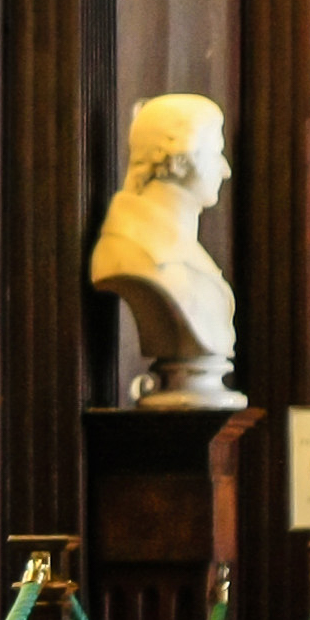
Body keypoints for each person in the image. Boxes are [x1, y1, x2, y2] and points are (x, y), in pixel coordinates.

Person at [89, 91, 240, 405]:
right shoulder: (132, 251)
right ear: (180, 158)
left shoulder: (184, 252)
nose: (225, 169)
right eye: (216, 153)